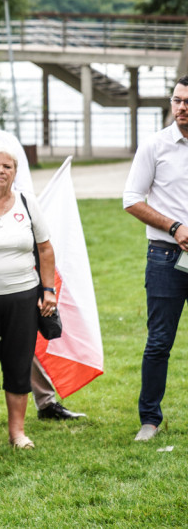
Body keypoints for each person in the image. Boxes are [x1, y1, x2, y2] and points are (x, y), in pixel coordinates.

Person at [0, 82, 83, 422]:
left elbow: (27, 195)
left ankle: (45, 400)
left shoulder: (8, 143)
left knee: (22, 335)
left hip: (16, 245)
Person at [0, 149, 57, 451]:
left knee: (19, 363)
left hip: (23, 296)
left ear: (15, 172)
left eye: (7, 166)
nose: (1, 171)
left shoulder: (27, 203)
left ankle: (17, 433)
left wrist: (49, 291)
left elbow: (45, 249)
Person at [123, 76, 188, 442]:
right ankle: (150, 420)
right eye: (177, 100)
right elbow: (131, 198)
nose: (181, 107)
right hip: (166, 255)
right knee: (159, 342)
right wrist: (175, 226)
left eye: (187, 102)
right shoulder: (155, 146)